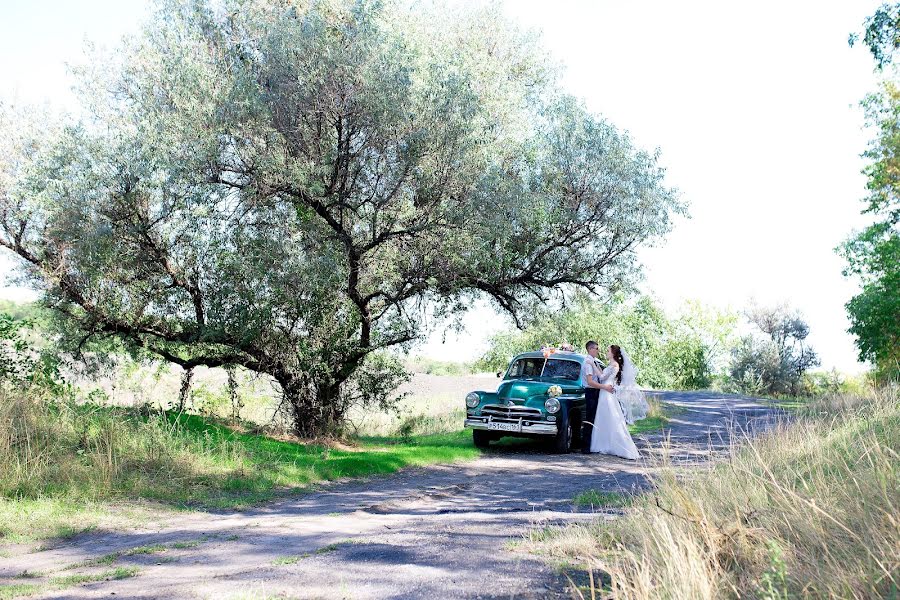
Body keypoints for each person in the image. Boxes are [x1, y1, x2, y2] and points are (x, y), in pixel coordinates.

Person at [589, 345, 640, 460]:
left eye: (608, 351)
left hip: (607, 394)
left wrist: (592, 364)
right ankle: (604, 444)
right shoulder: (611, 364)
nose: (606, 352)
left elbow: (602, 377)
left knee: (611, 418)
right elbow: (603, 375)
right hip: (605, 392)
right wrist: (596, 365)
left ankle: (619, 446)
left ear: (613, 353)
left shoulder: (614, 365)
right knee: (605, 418)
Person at [580, 340, 615, 454]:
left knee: (595, 418)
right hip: (591, 392)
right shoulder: (588, 363)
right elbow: (590, 382)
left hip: (596, 392)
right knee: (590, 419)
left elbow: (601, 375)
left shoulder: (593, 362)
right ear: (590, 349)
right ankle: (585, 447)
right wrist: (604, 387)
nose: (598, 351)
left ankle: (593, 444)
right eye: (596, 348)